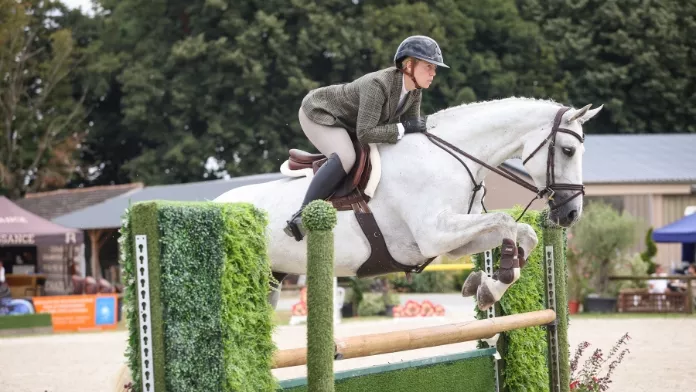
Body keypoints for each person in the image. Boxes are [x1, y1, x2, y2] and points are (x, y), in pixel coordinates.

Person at [283, 35, 449, 241]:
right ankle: (302, 215)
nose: (434, 73)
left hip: (349, 122)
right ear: (408, 65)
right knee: (346, 157)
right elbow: (366, 133)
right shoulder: (378, 84)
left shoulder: (415, 92)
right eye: (428, 66)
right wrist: (405, 127)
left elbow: (409, 132)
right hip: (320, 113)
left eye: (435, 68)